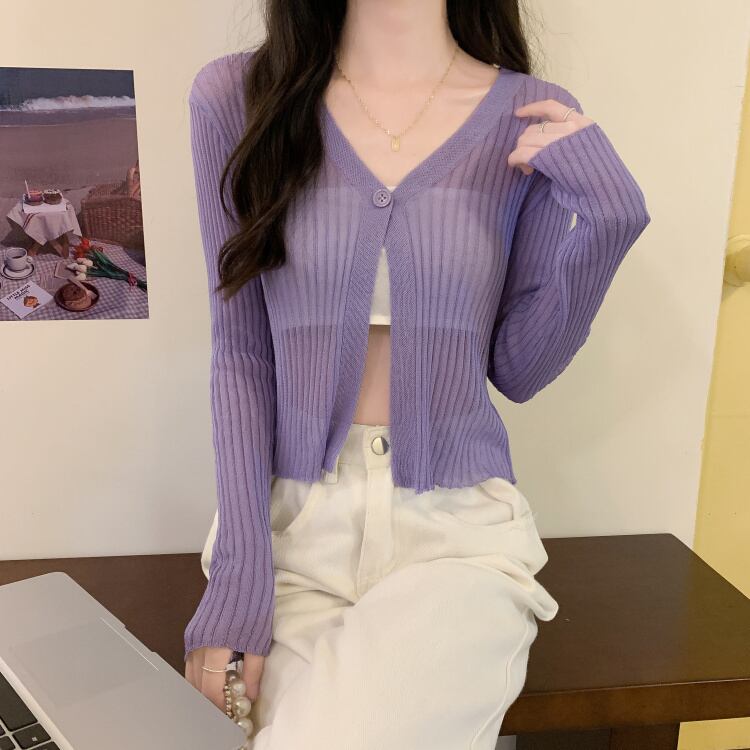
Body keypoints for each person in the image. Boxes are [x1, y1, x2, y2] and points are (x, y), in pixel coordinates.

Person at [182, 2, 651, 747]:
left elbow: (519, 369)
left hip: (455, 537)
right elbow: (239, 351)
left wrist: (607, 225)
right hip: (290, 532)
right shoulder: (238, 97)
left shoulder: (529, 114)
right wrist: (240, 580)